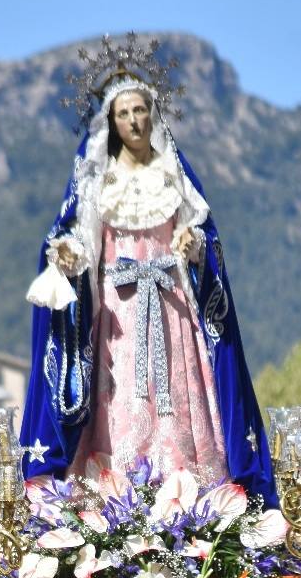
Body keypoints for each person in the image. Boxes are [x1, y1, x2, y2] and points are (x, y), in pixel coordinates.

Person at [21, 43, 277, 505]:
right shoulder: (98, 177)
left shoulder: (172, 174)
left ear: (153, 114)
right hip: (117, 319)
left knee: (178, 402)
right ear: (111, 122)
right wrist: (67, 255)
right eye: (124, 113)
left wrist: (193, 246)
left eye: (141, 110)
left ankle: (187, 500)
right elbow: (83, 239)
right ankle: (116, 501)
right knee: (116, 405)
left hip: (171, 308)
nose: (135, 121)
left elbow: (202, 233)